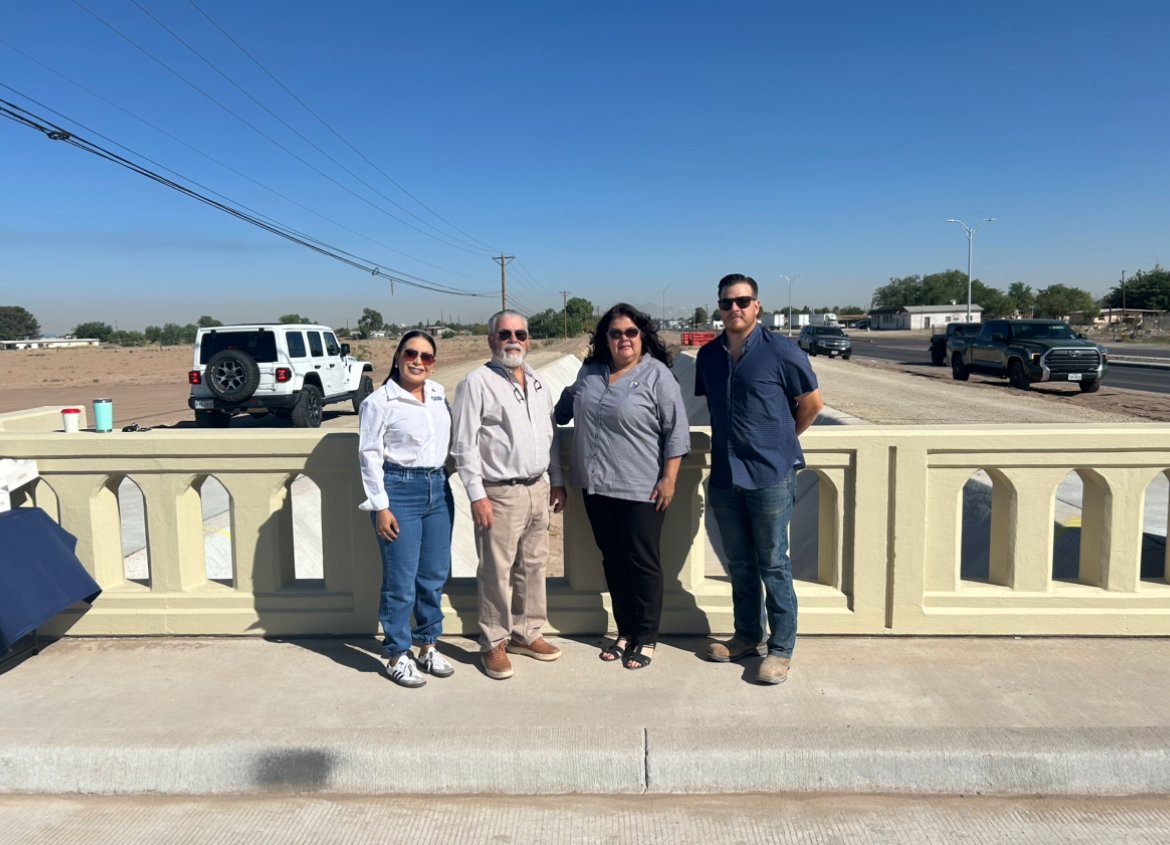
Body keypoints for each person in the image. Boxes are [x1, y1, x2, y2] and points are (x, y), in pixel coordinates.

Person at [694, 274, 824, 685]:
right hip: (726, 474)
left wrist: (782, 442)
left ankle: (781, 648)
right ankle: (747, 636)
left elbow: (812, 405)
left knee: (773, 561)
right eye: (727, 303)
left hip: (770, 475)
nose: (735, 308)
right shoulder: (709, 356)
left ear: (757, 306)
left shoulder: (782, 351)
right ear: (720, 308)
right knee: (740, 563)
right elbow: (716, 407)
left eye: (743, 301)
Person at [555, 304, 689, 670]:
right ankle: (625, 631)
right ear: (605, 339)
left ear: (641, 336)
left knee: (642, 563)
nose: (624, 339)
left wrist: (669, 479)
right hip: (596, 487)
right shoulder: (590, 373)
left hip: (642, 489)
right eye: (615, 333)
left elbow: (676, 432)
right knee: (613, 561)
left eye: (631, 332)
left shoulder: (657, 375)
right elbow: (560, 410)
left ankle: (646, 637)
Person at [451, 310, 567, 680]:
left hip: (538, 487)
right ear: (491, 340)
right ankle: (494, 643)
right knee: (496, 572)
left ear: (528, 339)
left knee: (533, 566)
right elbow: (463, 445)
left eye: (520, 333)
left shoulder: (536, 382)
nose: (512, 339)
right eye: (504, 334)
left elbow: (550, 437)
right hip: (498, 493)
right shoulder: (476, 383)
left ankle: (527, 633)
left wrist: (557, 479)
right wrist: (476, 495)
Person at [358, 330, 455, 689]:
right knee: (401, 580)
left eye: (426, 356)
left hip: (438, 489)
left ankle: (427, 645)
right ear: (398, 356)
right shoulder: (379, 402)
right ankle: (398, 654)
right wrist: (380, 506)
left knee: (433, 574)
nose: (418, 361)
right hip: (399, 490)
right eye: (411, 354)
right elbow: (369, 456)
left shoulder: (437, 394)